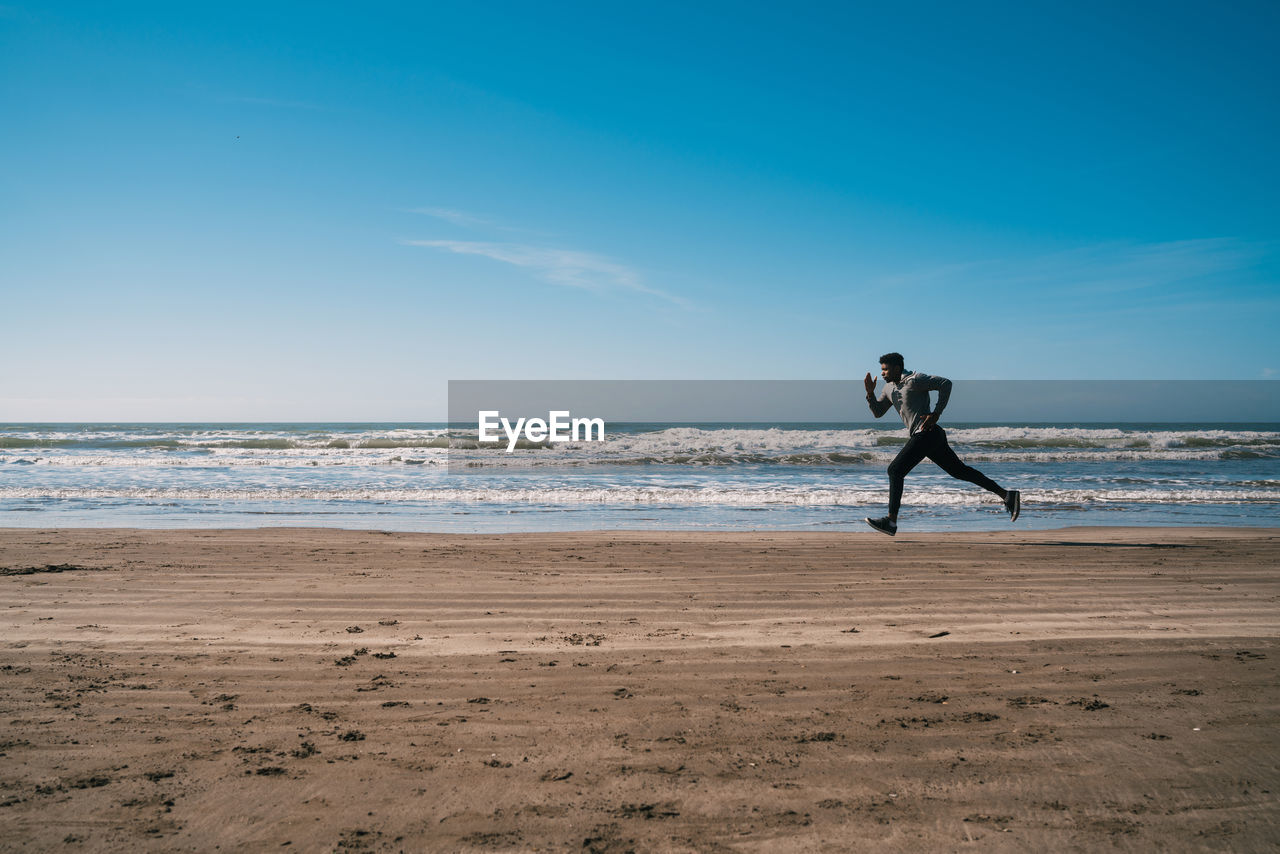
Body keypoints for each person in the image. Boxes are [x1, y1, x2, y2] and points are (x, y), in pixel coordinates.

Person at [862, 352, 1019, 536]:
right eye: (882, 370)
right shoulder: (889, 388)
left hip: (926, 433)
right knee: (960, 471)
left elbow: (946, 383)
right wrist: (870, 394)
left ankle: (891, 521)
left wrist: (936, 413)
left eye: (886, 369)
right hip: (929, 436)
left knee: (895, 470)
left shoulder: (915, 379)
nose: (883, 374)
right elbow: (878, 412)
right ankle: (1007, 495)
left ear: (897, 368)